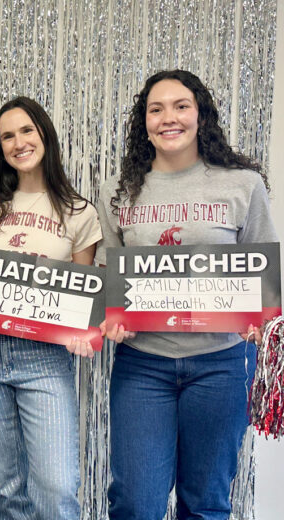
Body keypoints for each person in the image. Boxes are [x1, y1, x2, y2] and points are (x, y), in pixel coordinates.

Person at [96, 69, 277, 519]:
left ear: (200, 115)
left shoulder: (242, 185)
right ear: (145, 123)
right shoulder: (117, 193)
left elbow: (264, 278)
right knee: (135, 504)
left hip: (223, 363)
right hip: (143, 366)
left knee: (205, 504)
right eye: (155, 109)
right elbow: (109, 278)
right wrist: (111, 316)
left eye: (180, 106)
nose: (168, 118)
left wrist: (267, 323)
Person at [0, 96, 102, 520]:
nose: (18, 143)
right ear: (0, 148)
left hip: (45, 359)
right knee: (7, 488)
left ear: (44, 135)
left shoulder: (79, 212)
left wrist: (86, 334)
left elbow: (82, 298)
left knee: (56, 489)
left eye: (26, 131)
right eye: (7, 136)